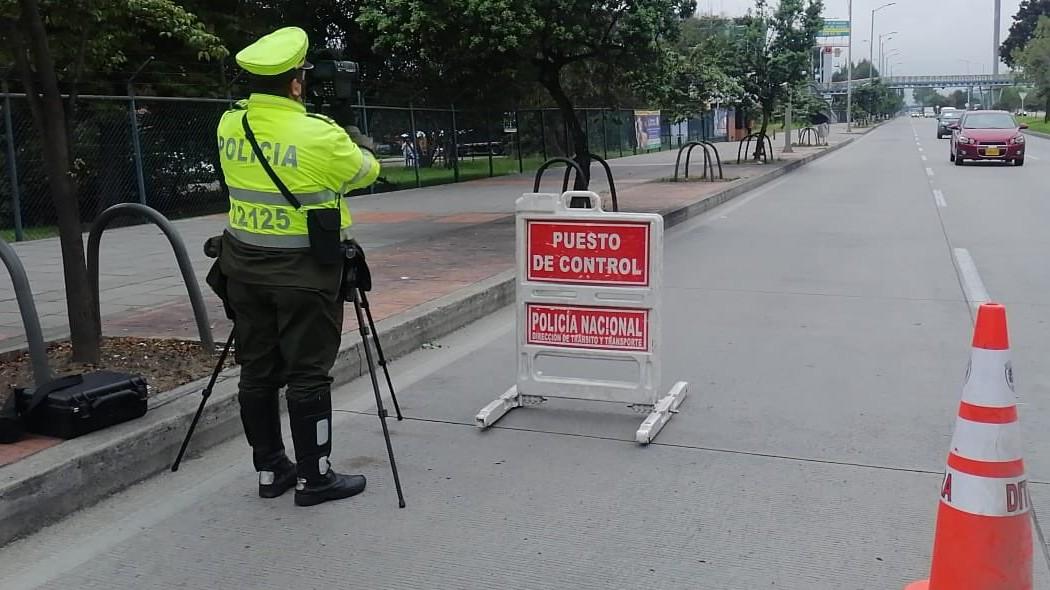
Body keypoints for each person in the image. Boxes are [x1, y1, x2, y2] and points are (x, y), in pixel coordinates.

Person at [214, 26, 380, 506]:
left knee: (257, 371)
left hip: (242, 269)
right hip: (304, 275)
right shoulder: (319, 135)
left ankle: (270, 471)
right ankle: (316, 477)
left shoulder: (230, 125)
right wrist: (358, 141)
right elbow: (365, 172)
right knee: (308, 374)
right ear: (295, 83)